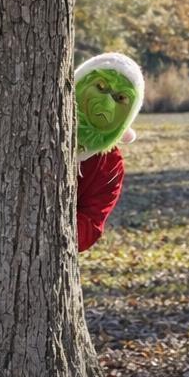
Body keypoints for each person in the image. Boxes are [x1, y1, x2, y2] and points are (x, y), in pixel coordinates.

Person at [72, 52, 143, 251]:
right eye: (101, 87)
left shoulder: (108, 163)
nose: (107, 104)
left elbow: (91, 224)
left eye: (120, 98)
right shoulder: (33, 123)